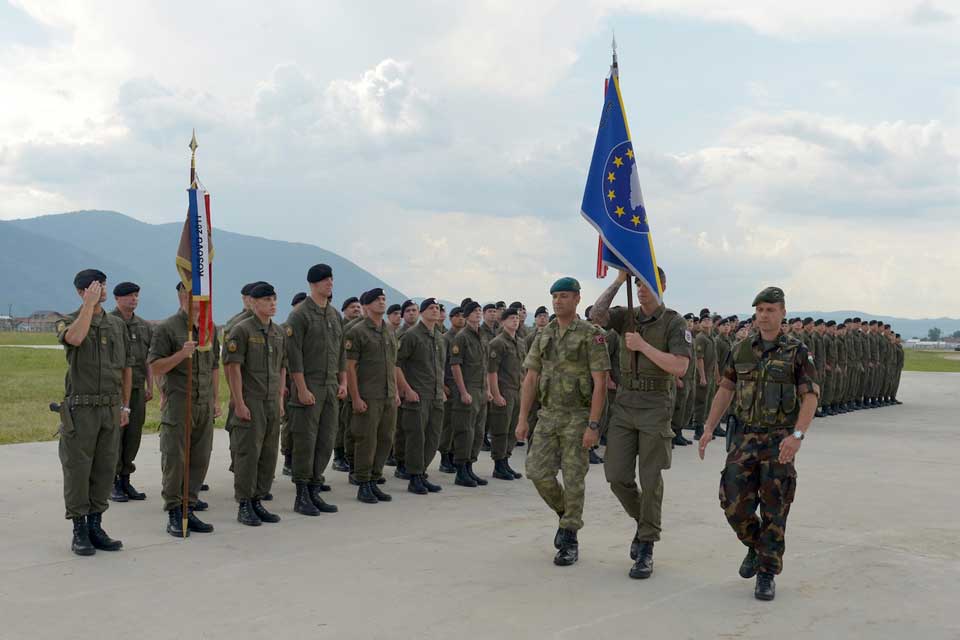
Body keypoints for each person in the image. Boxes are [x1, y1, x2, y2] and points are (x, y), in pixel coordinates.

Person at [698, 286, 819, 601]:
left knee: (775, 506)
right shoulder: (741, 350)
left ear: (782, 313)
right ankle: (757, 546)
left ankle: (766, 572)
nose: (764, 315)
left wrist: (798, 435)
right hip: (746, 437)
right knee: (732, 500)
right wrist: (710, 427)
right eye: (760, 310)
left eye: (770, 310)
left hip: (780, 439)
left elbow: (810, 396)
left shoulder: (797, 351)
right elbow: (725, 389)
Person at [591, 268, 690, 579]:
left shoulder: (674, 322)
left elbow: (680, 366)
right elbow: (596, 315)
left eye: (647, 284)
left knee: (650, 479)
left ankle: (646, 544)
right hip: (624, 404)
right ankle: (644, 521)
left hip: (655, 406)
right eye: (638, 283)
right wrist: (620, 280)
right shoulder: (626, 316)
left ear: (662, 285)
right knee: (616, 475)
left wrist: (643, 347)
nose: (642, 289)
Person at [516, 277, 610, 566]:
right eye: (555, 296)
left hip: (577, 417)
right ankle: (565, 514)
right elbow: (530, 377)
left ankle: (570, 535)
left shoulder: (591, 335)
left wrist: (593, 425)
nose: (558, 301)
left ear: (578, 299)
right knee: (536, 471)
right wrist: (522, 419)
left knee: (573, 479)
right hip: (548, 415)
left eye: (565, 296)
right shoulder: (543, 335)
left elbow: (600, 383)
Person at [56, 269, 132, 556]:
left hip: (110, 408)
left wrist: (125, 405)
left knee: (104, 469)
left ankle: (96, 525)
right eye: (92, 287)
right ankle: (79, 530)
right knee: (78, 470)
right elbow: (74, 339)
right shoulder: (67, 320)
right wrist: (87, 307)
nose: (99, 290)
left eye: (102, 286)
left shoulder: (116, 325)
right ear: (80, 292)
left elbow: (125, 368)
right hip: (81, 409)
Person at [149, 282, 220, 537]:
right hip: (180, 403)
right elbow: (155, 367)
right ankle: (174, 511)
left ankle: (189, 507)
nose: (201, 301)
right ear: (182, 297)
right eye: (195, 295)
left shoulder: (209, 330)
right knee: (175, 459)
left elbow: (214, 367)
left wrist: (215, 400)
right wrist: (181, 355)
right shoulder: (168, 328)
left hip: (203, 402)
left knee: (200, 458)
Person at [223, 282, 287, 526]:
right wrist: (238, 402)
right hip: (250, 401)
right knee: (248, 454)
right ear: (255, 302)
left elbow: (282, 367)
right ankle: (244, 504)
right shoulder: (242, 330)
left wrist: (280, 398)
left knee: (269, 454)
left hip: (271, 401)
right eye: (267, 300)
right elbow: (233, 368)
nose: (272, 304)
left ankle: (258, 499)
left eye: (274, 299)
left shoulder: (278, 332)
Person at [284, 264, 345, 517]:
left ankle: (314, 490)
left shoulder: (334, 315)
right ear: (313, 284)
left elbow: (341, 352)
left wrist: (342, 382)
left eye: (331, 279)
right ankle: (301, 495)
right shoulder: (300, 315)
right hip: (309, 386)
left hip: (331, 386)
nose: (329, 283)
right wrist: (301, 388)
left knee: (326, 440)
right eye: (324, 280)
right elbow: (293, 355)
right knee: (306, 441)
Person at [345, 288, 401, 503]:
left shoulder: (388, 330)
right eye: (376, 300)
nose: (381, 302)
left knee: (386, 439)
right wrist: (356, 397)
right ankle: (363, 482)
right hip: (368, 395)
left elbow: (392, 364)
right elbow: (350, 367)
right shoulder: (357, 332)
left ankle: (375, 479)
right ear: (366, 306)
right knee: (366, 440)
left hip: (387, 394)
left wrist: (395, 390)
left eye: (383, 299)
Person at [108, 281, 153, 502]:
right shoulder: (108, 323)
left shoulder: (143, 326)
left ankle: (126, 478)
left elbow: (148, 359)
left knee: (134, 434)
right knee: (116, 436)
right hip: (114, 390)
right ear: (117, 298)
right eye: (129, 296)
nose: (133, 299)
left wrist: (150, 386)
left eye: (136, 295)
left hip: (136, 388)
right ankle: (112, 481)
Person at [395, 298, 446, 494]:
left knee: (433, 437)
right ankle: (414, 477)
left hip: (435, 395)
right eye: (431, 308)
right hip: (417, 395)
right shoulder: (411, 336)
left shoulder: (439, 337)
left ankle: (422, 472)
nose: (435, 311)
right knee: (416, 437)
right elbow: (396, 364)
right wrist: (407, 389)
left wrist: (441, 390)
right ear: (422, 312)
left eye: (438, 308)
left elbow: (439, 367)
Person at [449, 301, 491, 487]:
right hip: (468, 388)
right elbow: (455, 365)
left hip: (481, 388)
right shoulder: (461, 337)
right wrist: (463, 391)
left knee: (478, 431)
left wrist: (488, 389)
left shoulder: (481, 336)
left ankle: (470, 467)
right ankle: (461, 471)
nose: (478, 314)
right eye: (474, 312)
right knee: (465, 431)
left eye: (479, 311)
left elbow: (485, 366)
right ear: (466, 316)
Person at [487, 306, 526, 480]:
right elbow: (491, 372)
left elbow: (523, 369)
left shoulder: (520, 342)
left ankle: (506, 460)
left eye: (517, 318)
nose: (515, 321)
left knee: (513, 429)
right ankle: (498, 464)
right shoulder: (497, 343)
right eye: (511, 318)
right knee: (501, 428)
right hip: (504, 390)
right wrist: (496, 394)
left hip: (518, 390)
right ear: (502, 322)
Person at [438, 306, 464, 473]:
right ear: (451, 318)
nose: (461, 319)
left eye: (463, 316)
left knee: (459, 424)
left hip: (460, 386)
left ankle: (454, 453)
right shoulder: (445, 338)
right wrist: (442, 386)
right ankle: (444, 457)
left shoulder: (463, 338)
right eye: (458, 316)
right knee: (447, 424)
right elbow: (439, 364)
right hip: (448, 385)